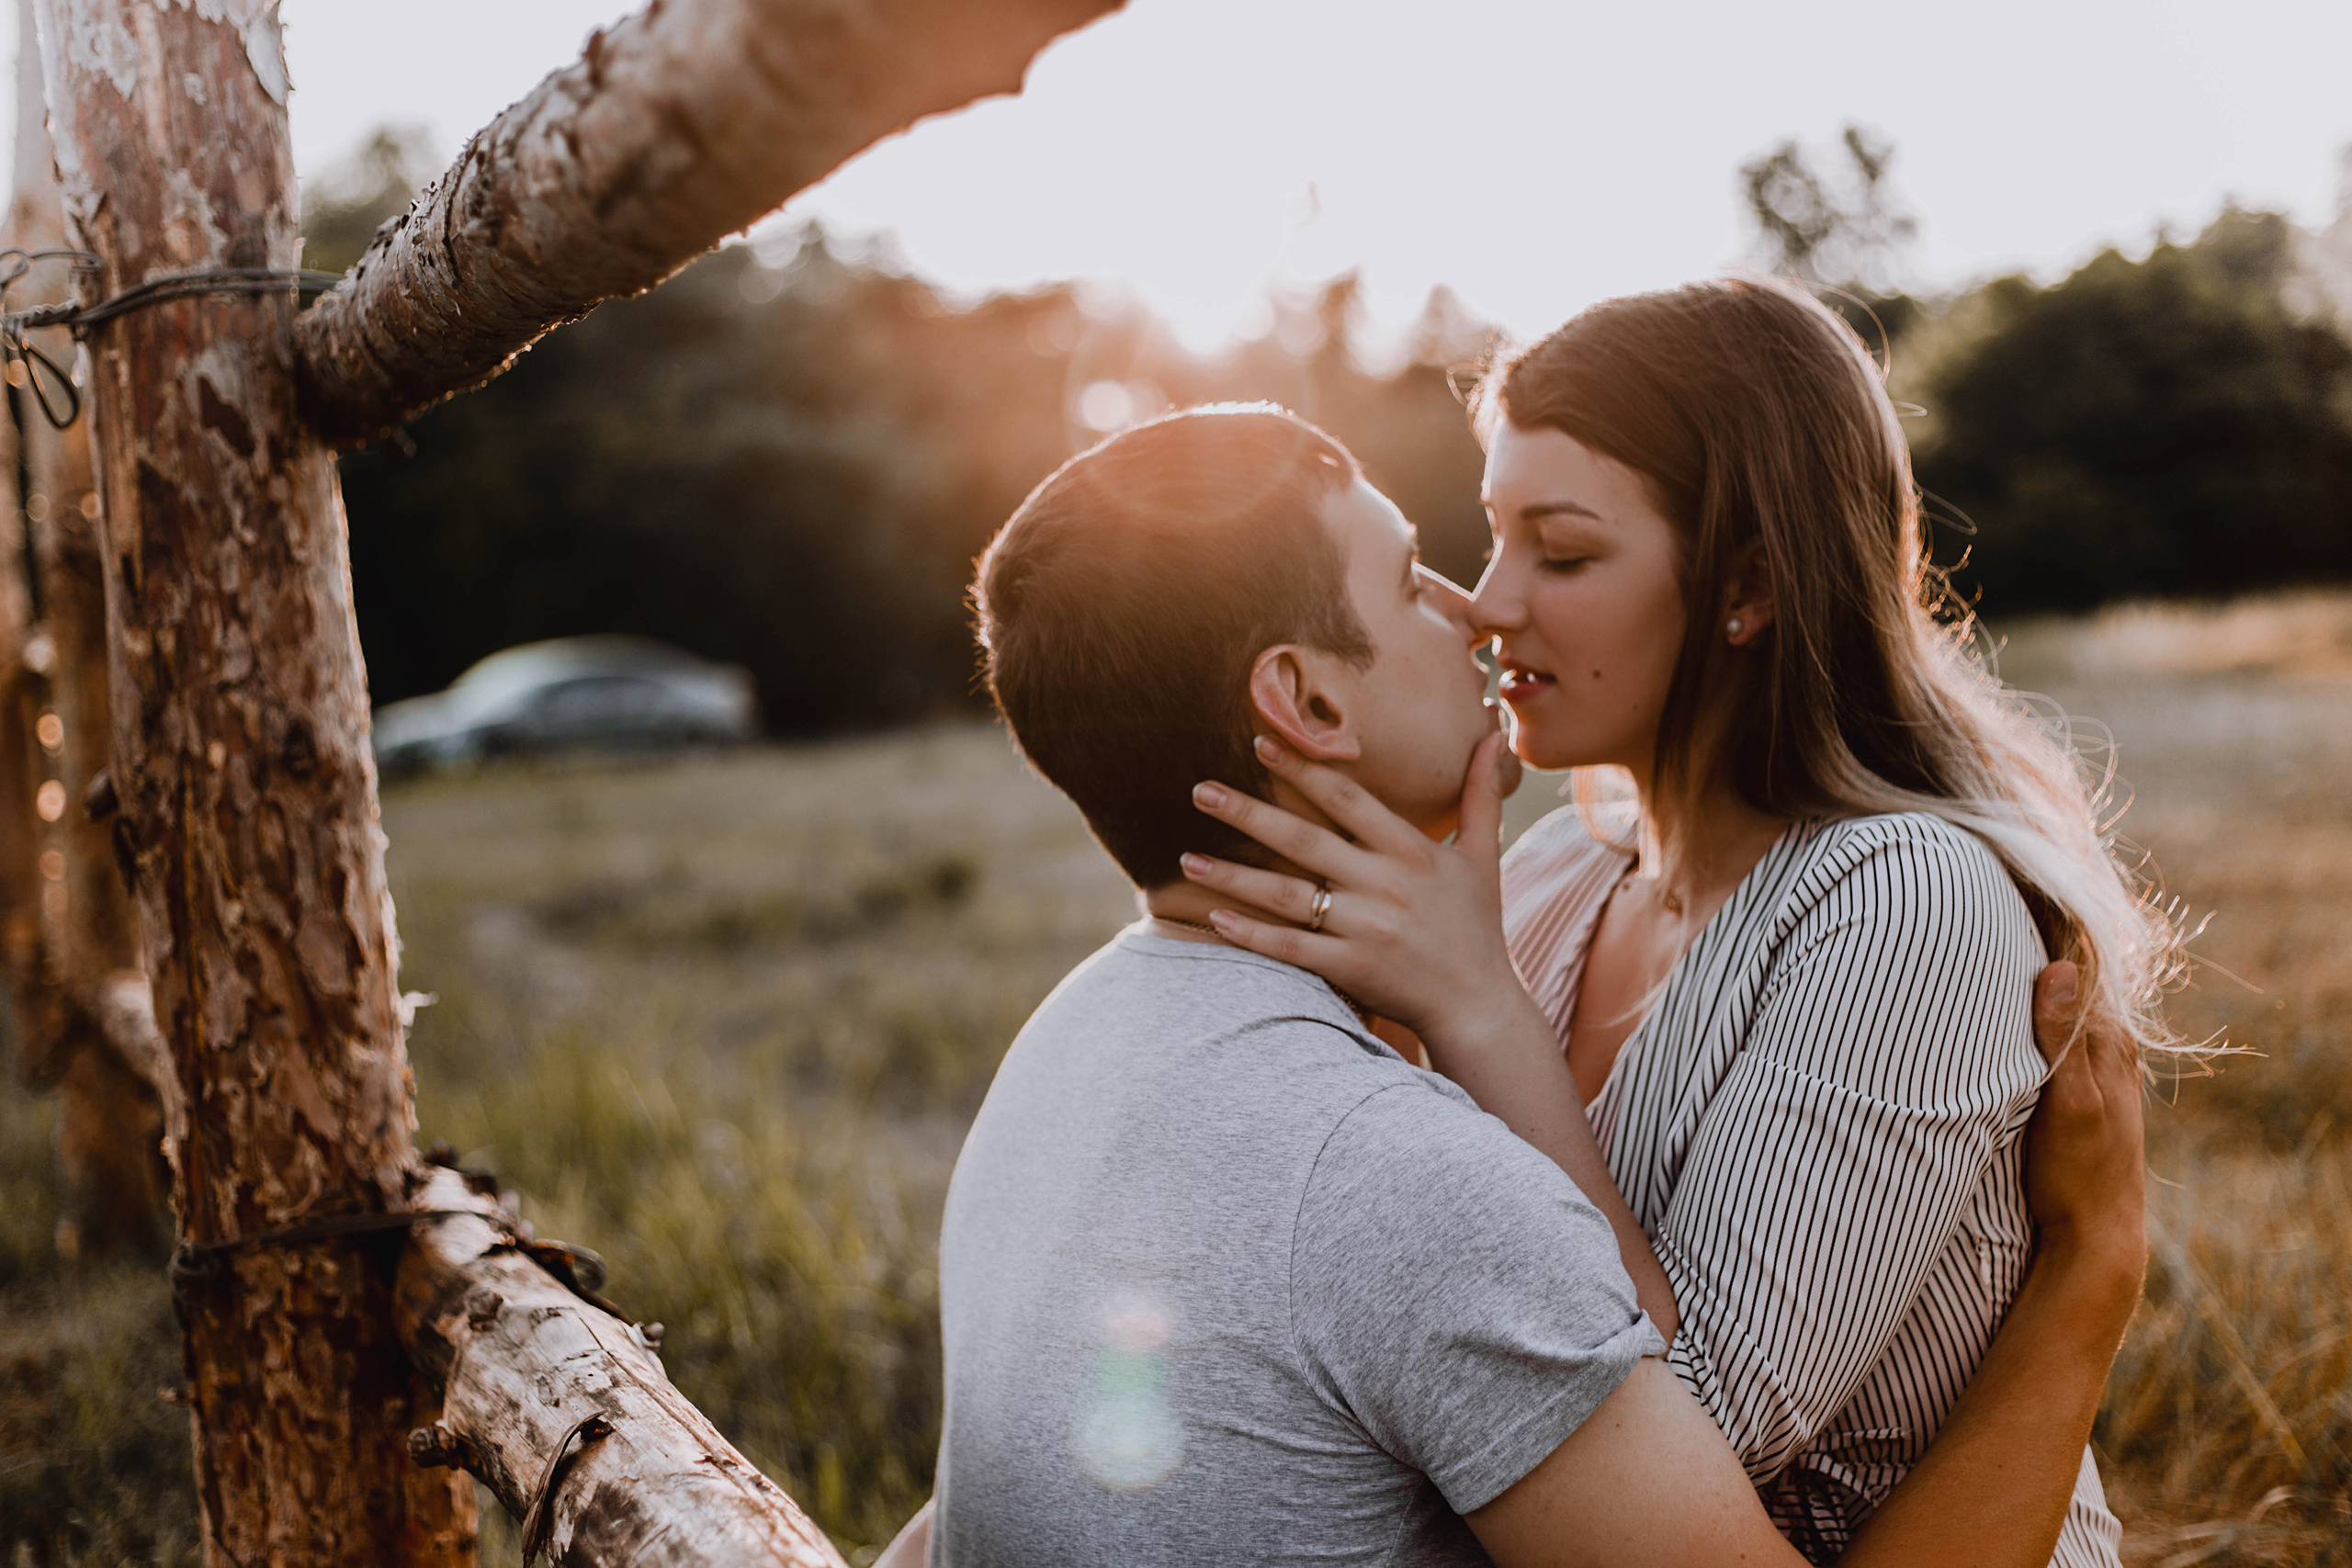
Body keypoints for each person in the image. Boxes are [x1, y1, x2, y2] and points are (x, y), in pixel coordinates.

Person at [882, 404, 2144, 1568]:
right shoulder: (1406, 1178)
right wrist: (2090, 1280)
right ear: (1309, 699)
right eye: (1409, 579)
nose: (1474, 609)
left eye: (1557, 551)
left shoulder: (1060, 1052)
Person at [1181, 282, 2177, 1564]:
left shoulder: (1902, 901)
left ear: (1746, 585)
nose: (1488, 603)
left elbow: (1693, 1436)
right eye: (1493, 536)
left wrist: (1475, 1011)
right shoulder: (1556, 870)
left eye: (1563, 553)